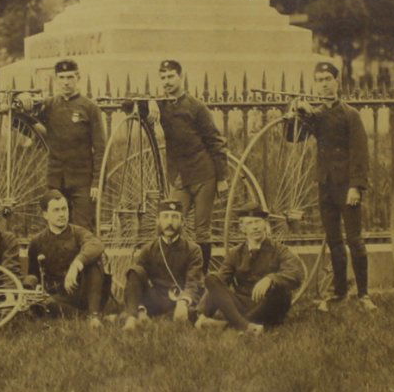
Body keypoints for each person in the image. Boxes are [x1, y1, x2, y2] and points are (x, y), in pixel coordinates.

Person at [288, 61, 377, 312]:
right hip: (325, 185)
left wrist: (356, 187)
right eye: (319, 80)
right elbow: (293, 137)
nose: (324, 84)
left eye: (328, 79)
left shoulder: (350, 115)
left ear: (337, 83)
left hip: (346, 187)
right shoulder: (317, 115)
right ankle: (339, 292)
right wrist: (295, 112)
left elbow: (361, 154)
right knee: (334, 241)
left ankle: (364, 294)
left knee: (355, 240)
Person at [148, 59, 229, 274]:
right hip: (181, 177)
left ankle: (200, 279)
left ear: (180, 77)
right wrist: (149, 101)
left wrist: (222, 178)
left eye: (171, 77)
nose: (166, 82)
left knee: (201, 230)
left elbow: (215, 141)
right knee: (171, 223)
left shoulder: (196, 107)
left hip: (204, 174)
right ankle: (176, 277)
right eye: (163, 78)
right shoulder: (160, 106)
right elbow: (129, 106)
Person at [15, 59, 105, 230]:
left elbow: (100, 148)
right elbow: (20, 122)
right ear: (56, 79)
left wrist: (96, 182)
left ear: (78, 77)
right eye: (61, 77)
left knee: (82, 228)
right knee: (56, 228)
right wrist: (21, 98)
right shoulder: (49, 105)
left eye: (70, 77)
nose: (66, 82)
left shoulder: (90, 107)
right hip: (55, 179)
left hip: (82, 180)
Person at [195, 208, 304, 334]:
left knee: (280, 291)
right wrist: (202, 313)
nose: (255, 227)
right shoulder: (235, 253)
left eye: (258, 222)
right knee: (212, 279)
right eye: (249, 223)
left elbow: (297, 274)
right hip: (243, 304)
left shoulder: (280, 250)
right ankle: (245, 325)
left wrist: (271, 278)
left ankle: (232, 325)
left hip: (269, 304)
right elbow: (220, 283)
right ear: (242, 228)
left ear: (266, 225)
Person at [25, 190, 109, 327]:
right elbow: (33, 272)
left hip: (83, 292)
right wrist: (34, 285)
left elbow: (96, 244)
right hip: (58, 295)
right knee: (45, 303)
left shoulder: (78, 232)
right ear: (45, 214)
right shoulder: (37, 242)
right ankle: (84, 317)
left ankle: (94, 315)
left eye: (64, 209)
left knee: (95, 262)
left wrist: (76, 264)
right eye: (56, 210)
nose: (62, 214)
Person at [121, 200, 203, 330]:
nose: (170, 222)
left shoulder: (193, 249)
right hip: (156, 297)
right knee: (134, 272)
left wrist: (183, 302)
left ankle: (134, 315)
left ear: (183, 222)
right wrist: (141, 308)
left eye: (175, 217)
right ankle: (133, 317)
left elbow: (193, 281)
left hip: (180, 298)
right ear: (158, 221)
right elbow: (137, 282)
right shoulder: (148, 249)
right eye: (165, 217)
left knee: (196, 308)